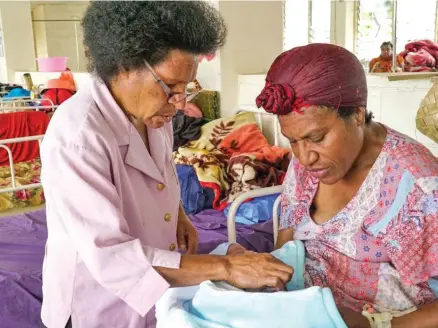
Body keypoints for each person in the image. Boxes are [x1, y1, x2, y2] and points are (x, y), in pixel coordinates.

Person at [39, 2, 293, 328]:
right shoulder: (79, 136)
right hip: (99, 305)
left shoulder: (156, 115)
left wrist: (178, 213)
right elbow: (112, 257)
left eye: (186, 88)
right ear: (124, 65)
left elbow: (162, 172)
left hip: (155, 289)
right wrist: (226, 267)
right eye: (171, 87)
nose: (181, 102)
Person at [252, 43, 438, 327]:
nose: (304, 157)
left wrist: (379, 325)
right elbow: (287, 240)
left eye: (317, 137)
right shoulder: (310, 159)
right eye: (292, 140)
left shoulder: (417, 187)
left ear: (357, 114)